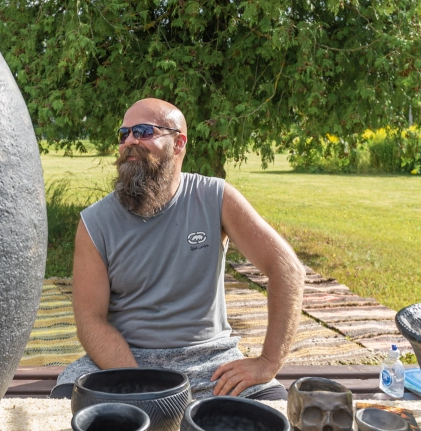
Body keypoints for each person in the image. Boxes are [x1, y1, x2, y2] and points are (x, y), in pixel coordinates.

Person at [50, 98, 305, 400]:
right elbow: (91, 321)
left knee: (272, 416)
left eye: (144, 131)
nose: (130, 141)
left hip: (210, 362)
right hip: (124, 361)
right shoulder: (95, 222)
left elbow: (286, 268)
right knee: (67, 400)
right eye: (124, 134)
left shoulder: (215, 198)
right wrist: (138, 384)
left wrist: (267, 363)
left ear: (178, 143)